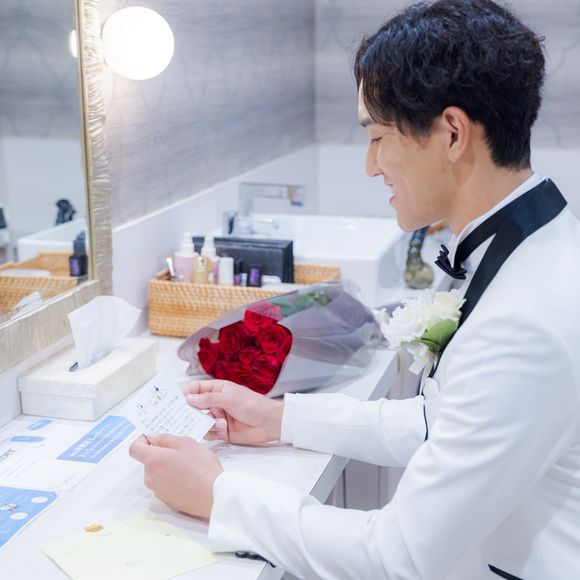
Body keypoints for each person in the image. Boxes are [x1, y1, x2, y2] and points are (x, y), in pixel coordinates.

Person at [129, 1, 580, 578]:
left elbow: (398, 557)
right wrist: (279, 419)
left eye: (378, 137)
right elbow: (443, 423)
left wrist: (219, 495)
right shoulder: (528, 243)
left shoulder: (525, 320)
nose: (371, 165)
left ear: (452, 133)